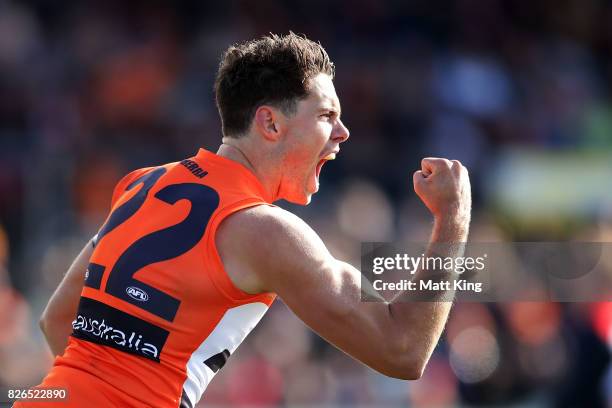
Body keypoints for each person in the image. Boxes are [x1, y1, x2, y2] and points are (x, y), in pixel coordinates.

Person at [14, 33, 471, 407]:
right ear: (269, 124)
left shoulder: (141, 184)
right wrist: (452, 220)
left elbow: (58, 321)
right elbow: (403, 350)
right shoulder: (264, 230)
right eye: (327, 115)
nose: (342, 132)